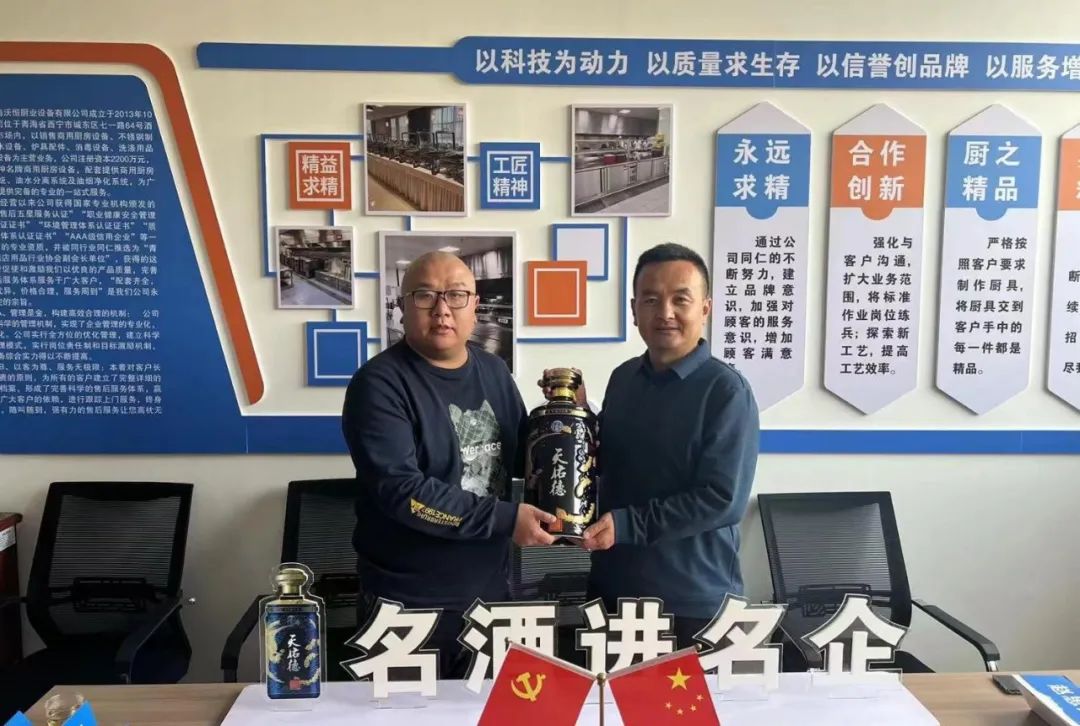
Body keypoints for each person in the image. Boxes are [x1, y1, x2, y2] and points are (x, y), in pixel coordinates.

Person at [341, 251, 556, 678]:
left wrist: (567, 421)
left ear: (474, 306)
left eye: (456, 295)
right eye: (425, 295)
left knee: (495, 709)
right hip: (406, 603)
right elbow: (403, 493)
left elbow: (521, 457)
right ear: (401, 307)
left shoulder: (494, 371)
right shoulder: (379, 384)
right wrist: (505, 518)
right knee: (404, 712)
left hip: (490, 593)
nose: (442, 310)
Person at [581, 242, 760, 649]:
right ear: (633, 310)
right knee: (606, 695)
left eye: (681, 299)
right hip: (612, 591)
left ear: (705, 308)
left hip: (691, 602)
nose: (665, 312)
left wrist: (628, 525)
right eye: (651, 299)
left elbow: (721, 499)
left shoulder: (726, 391)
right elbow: (614, 463)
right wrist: (577, 421)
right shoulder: (623, 379)